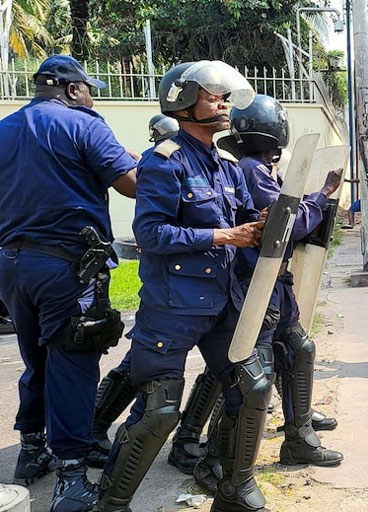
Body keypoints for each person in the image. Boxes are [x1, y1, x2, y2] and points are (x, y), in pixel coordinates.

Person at [97, 61, 272, 512]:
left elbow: (242, 222)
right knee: (158, 412)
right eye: (212, 94)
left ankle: (236, 490)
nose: (223, 102)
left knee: (250, 388)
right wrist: (223, 236)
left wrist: (261, 223)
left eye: (224, 95)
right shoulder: (164, 161)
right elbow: (152, 234)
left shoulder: (226, 163)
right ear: (183, 101)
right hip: (172, 307)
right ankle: (110, 505)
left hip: (222, 302)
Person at [0, 55, 138, 511]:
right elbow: (131, 184)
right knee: (73, 359)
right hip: (67, 266)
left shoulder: (5, 129)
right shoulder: (84, 125)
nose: (93, 96)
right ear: (72, 89)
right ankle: (72, 476)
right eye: (89, 89)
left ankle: (32, 449)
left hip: (12, 266)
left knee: (35, 354)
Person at [190, 94, 344, 491]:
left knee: (298, 350)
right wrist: (321, 196)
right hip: (256, 284)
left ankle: (299, 436)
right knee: (249, 377)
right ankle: (214, 462)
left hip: (274, 282)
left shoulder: (252, 166)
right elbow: (285, 222)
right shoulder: (252, 170)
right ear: (275, 134)